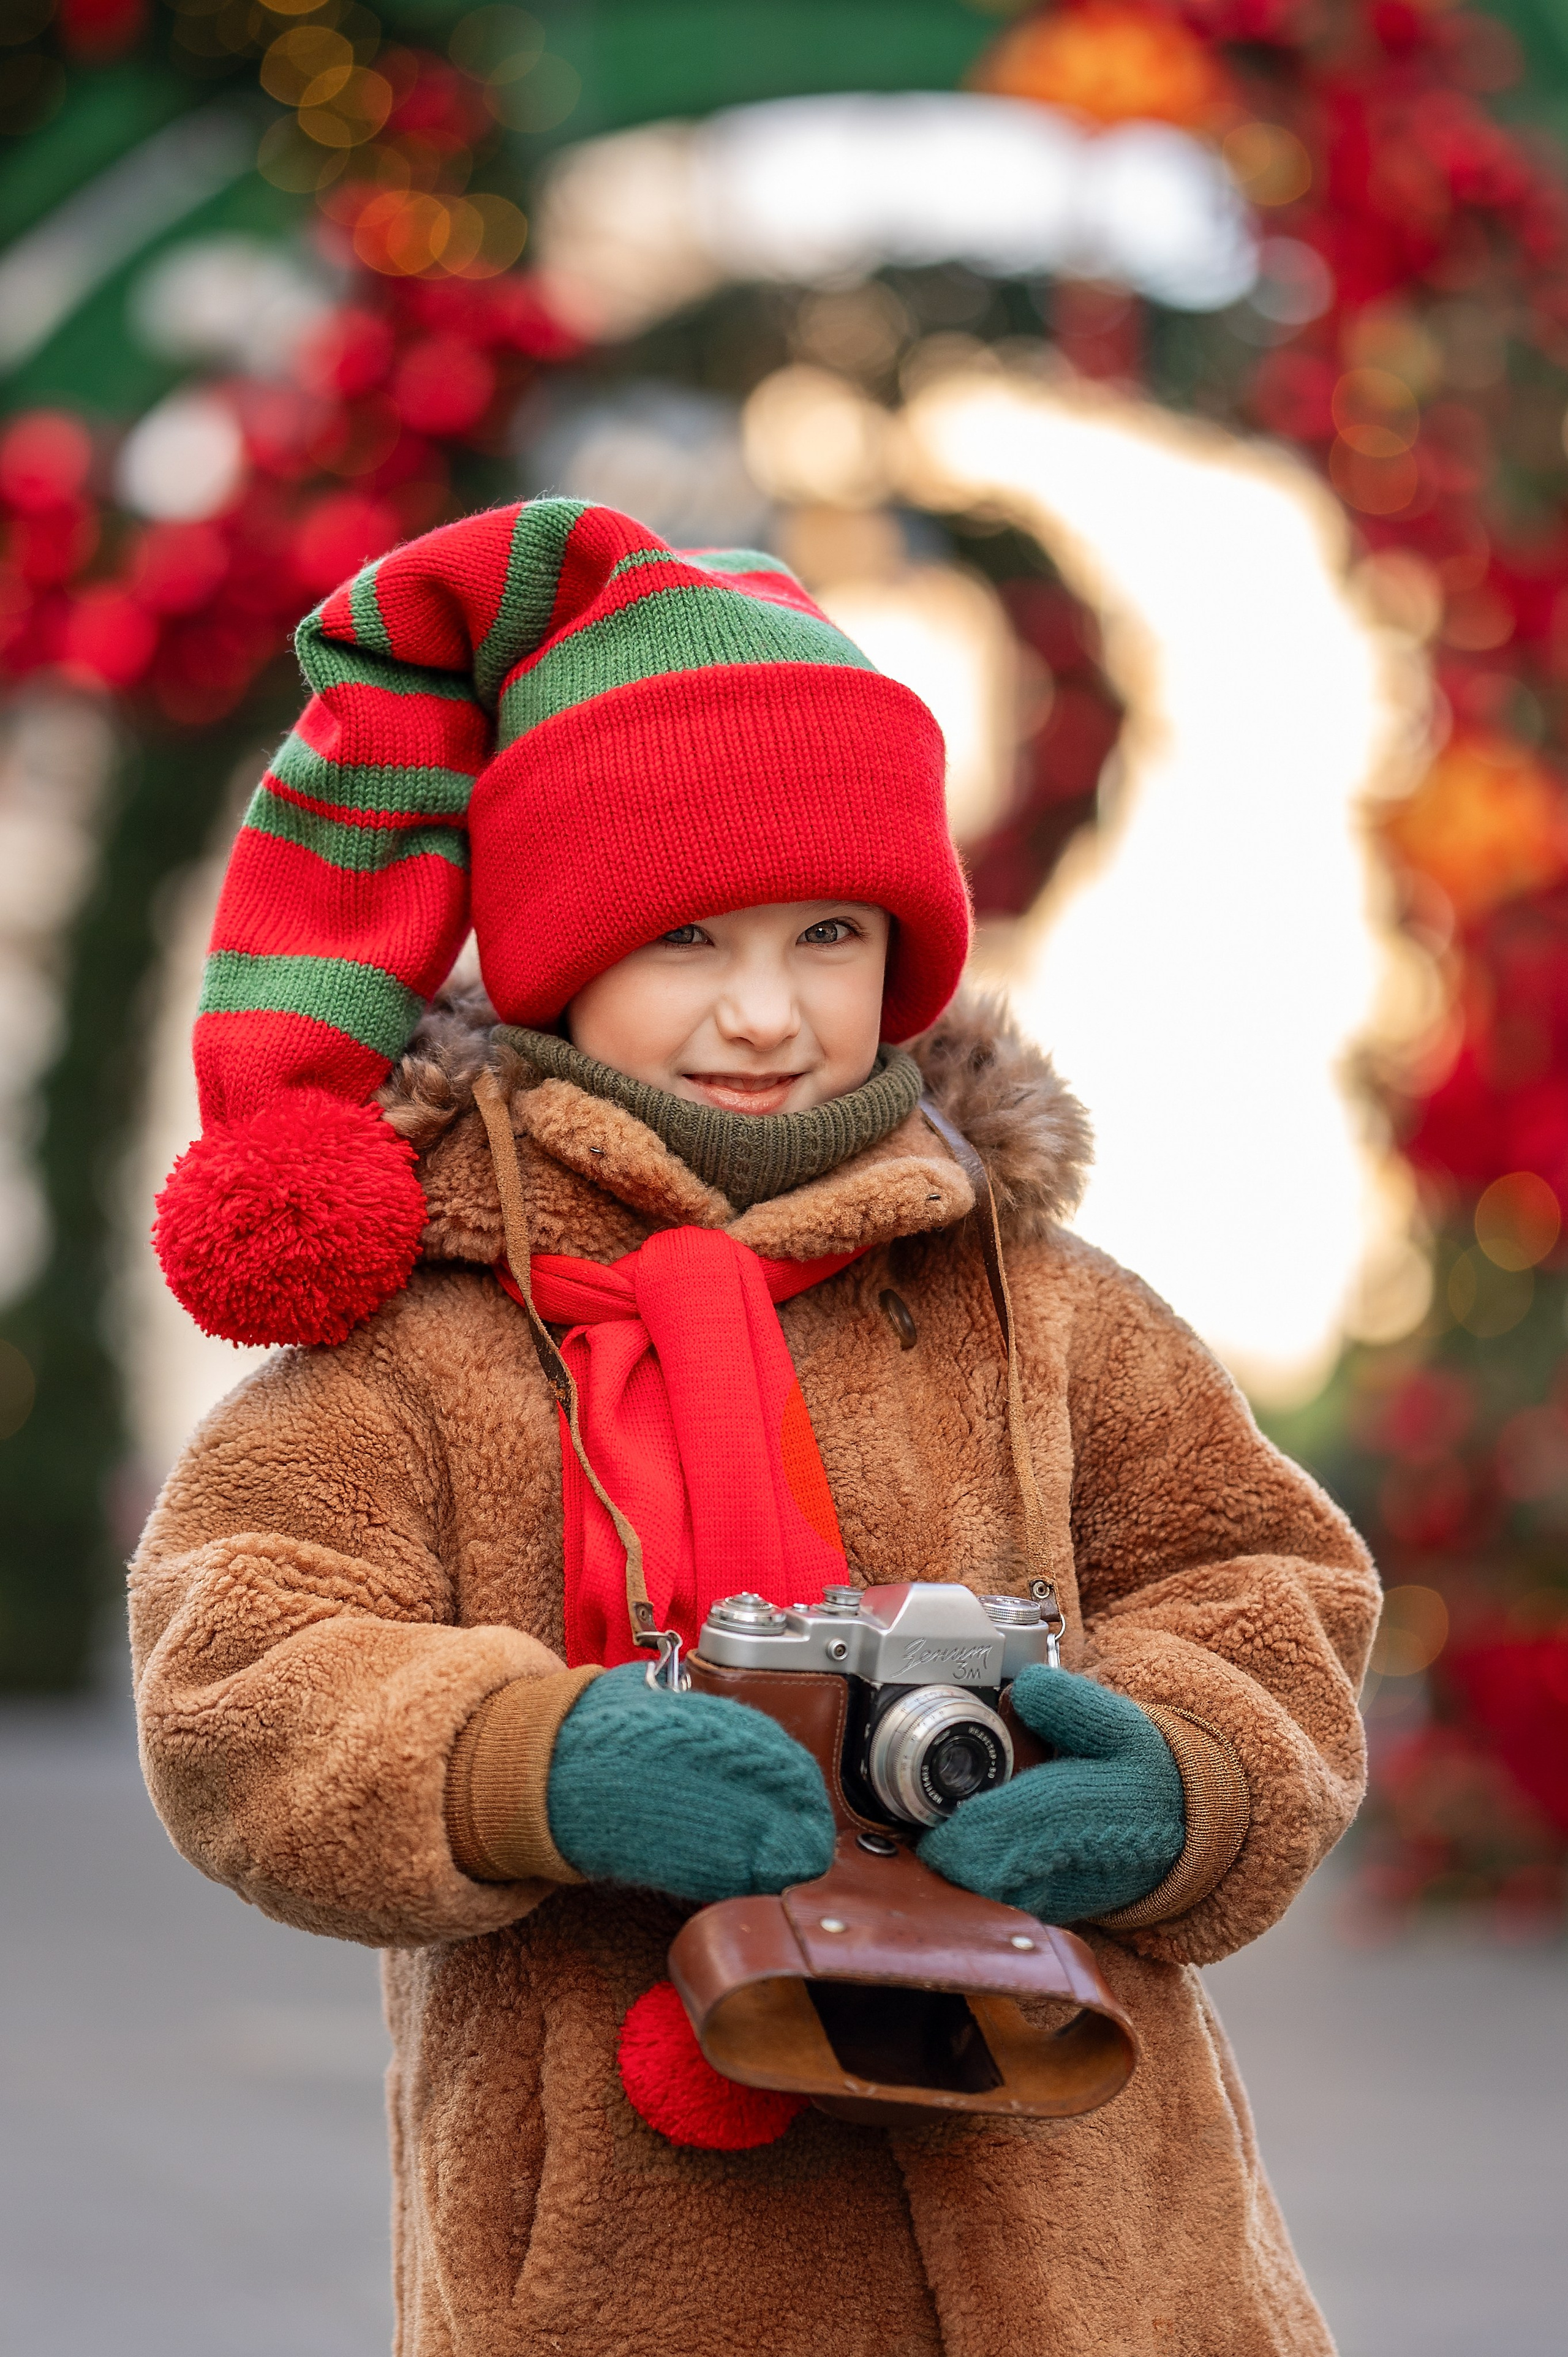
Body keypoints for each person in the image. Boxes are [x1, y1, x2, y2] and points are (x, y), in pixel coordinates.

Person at [131, 497, 1379, 2357]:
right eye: (687, 938)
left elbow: (1263, 1579)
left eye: (829, 935)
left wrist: (1184, 1776)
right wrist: (530, 1759)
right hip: (625, 2271)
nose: (767, 1013)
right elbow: (236, 1674)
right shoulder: (433, 1340)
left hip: (1096, 2255)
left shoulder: (1037, 1299)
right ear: (555, 955)